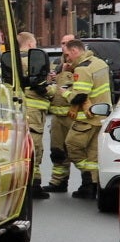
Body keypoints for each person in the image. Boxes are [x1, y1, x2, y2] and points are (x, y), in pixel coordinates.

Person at [47, 35, 112, 200]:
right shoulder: (100, 63)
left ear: (75, 51)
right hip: (101, 116)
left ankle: (89, 178)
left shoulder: (83, 68)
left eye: (68, 54)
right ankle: (91, 186)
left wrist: (65, 92)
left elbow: (79, 97)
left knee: (71, 147)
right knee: (92, 155)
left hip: (86, 119)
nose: (66, 58)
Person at [18, 30, 53, 197]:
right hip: (33, 111)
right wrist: (54, 90)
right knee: (35, 146)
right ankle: (34, 185)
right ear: (31, 44)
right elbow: (41, 87)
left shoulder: (12, 60)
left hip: (18, 109)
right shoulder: (32, 61)